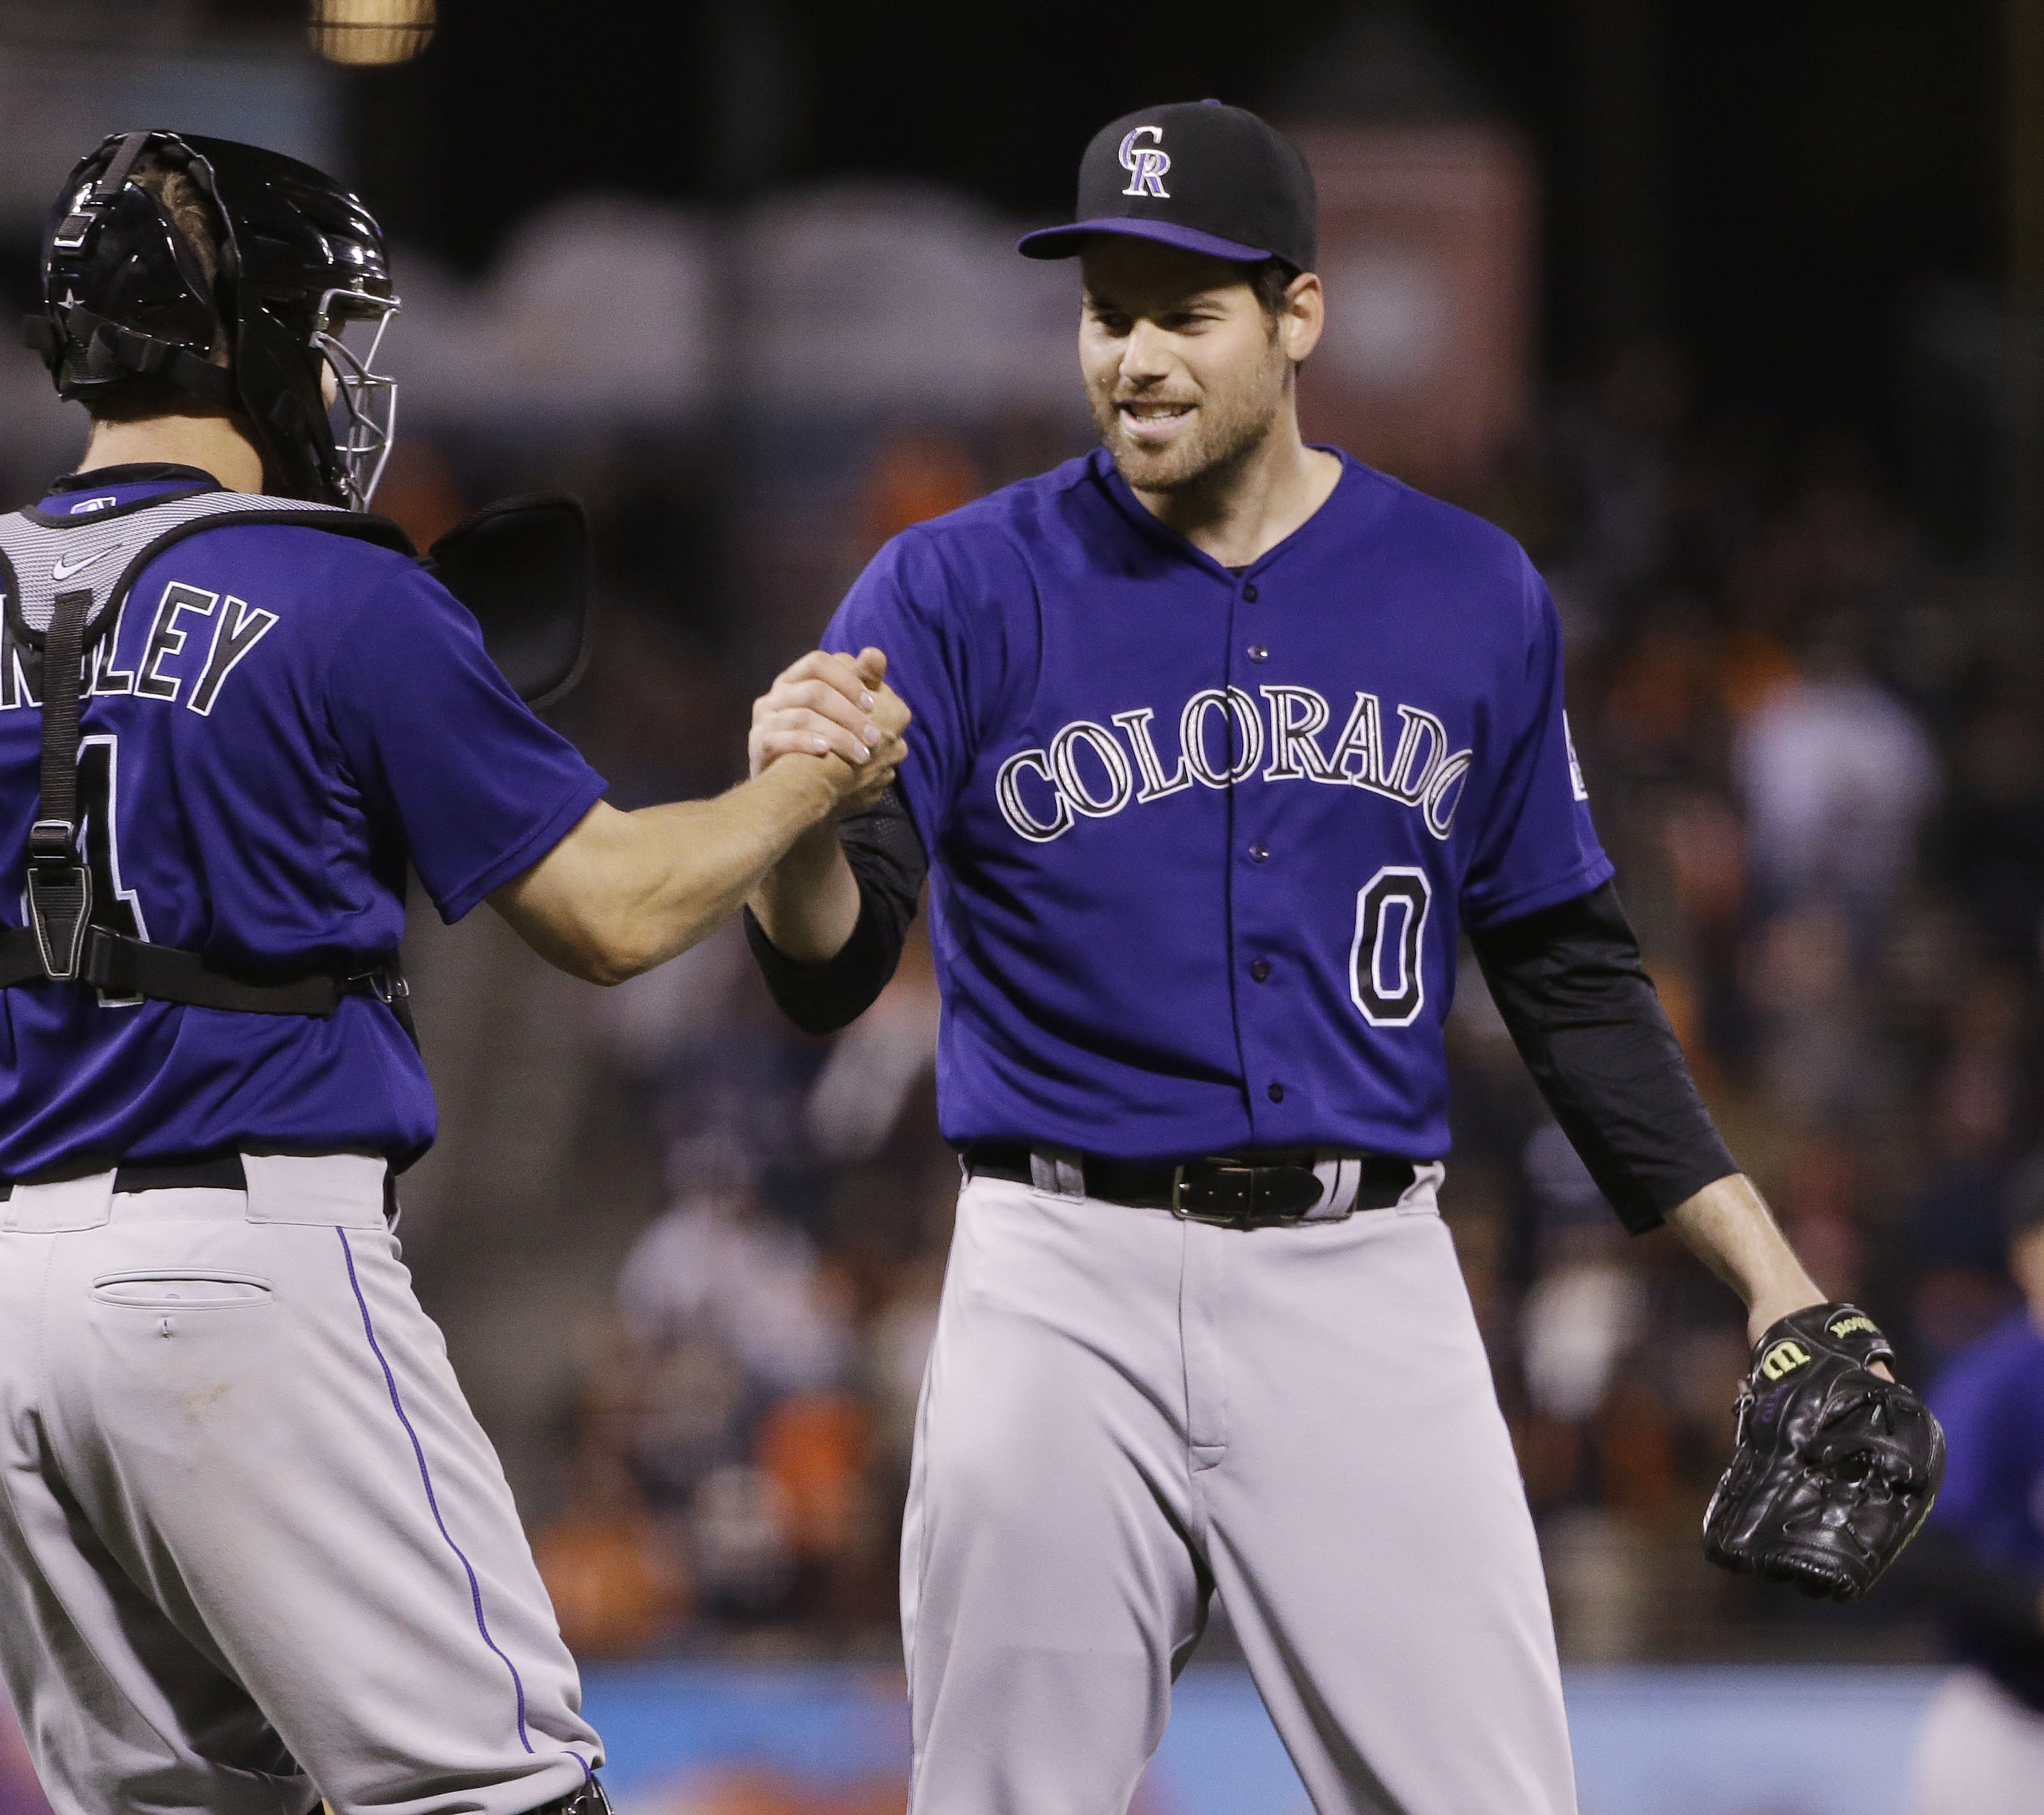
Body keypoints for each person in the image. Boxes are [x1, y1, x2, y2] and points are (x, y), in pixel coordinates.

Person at [741, 99, 1921, 1814]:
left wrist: (1768, 1279)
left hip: (1359, 1278)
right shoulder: (946, 587)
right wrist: (784, 835)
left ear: (1297, 314)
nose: (1133, 356)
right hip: (1054, 1280)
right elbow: (824, 976)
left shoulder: (1471, 591)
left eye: (1182, 310)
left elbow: (1570, 976)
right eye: (1104, 312)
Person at [0, 131, 906, 1815]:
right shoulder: (332, 589)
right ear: (235, 335)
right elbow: (605, 915)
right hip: (251, 1268)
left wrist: (70, 1128)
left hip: (12, 1301)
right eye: (317, 325)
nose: (335, 369)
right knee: (505, 1792)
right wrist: (805, 788)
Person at [1911, 1159, 2044, 1815]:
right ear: (2028, 1253)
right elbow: (1933, 1549)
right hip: (2011, 1724)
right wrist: (2034, 1604)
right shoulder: (1993, 1386)